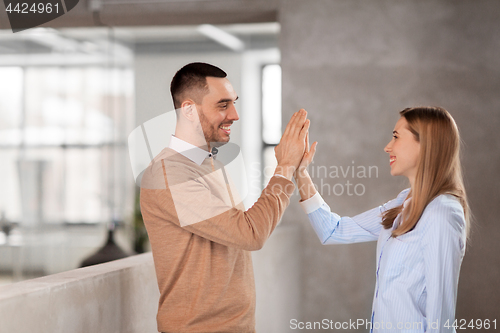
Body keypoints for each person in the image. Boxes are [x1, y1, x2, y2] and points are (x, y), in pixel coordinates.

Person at [140, 62, 309, 333]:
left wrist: (291, 169)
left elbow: (242, 229)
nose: (235, 115)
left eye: (234, 103)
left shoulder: (209, 164)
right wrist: (284, 168)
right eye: (223, 105)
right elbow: (250, 233)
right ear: (189, 110)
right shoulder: (169, 174)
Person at [295, 107, 469, 332]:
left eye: (396, 137)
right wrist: (300, 172)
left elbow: (441, 321)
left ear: (425, 144)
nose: (388, 147)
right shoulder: (404, 202)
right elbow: (333, 231)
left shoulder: (442, 213)